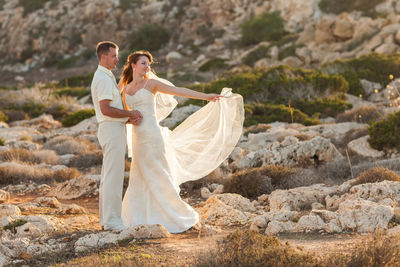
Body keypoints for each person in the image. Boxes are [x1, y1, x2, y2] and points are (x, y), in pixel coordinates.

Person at [119, 50, 244, 233]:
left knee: (159, 172)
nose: (147, 67)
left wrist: (206, 96)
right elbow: (119, 108)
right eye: (144, 63)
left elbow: (179, 91)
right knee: (140, 174)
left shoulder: (152, 83)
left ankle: (175, 215)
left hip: (152, 135)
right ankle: (140, 215)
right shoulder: (125, 86)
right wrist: (129, 119)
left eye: (149, 64)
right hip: (137, 136)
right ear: (133, 65)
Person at [90, 41, 143, 232]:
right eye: (114, 56)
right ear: (104, 56)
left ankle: (107, 219)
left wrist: (128, 119)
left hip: (113, 128)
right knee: (113, 176)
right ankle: (112, 221)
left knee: (109, 176)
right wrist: (130, 114)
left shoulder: (106, 76)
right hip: (111, 130)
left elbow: (113, 108)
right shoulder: (103, 78)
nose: (117, 59)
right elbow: (106, 109)